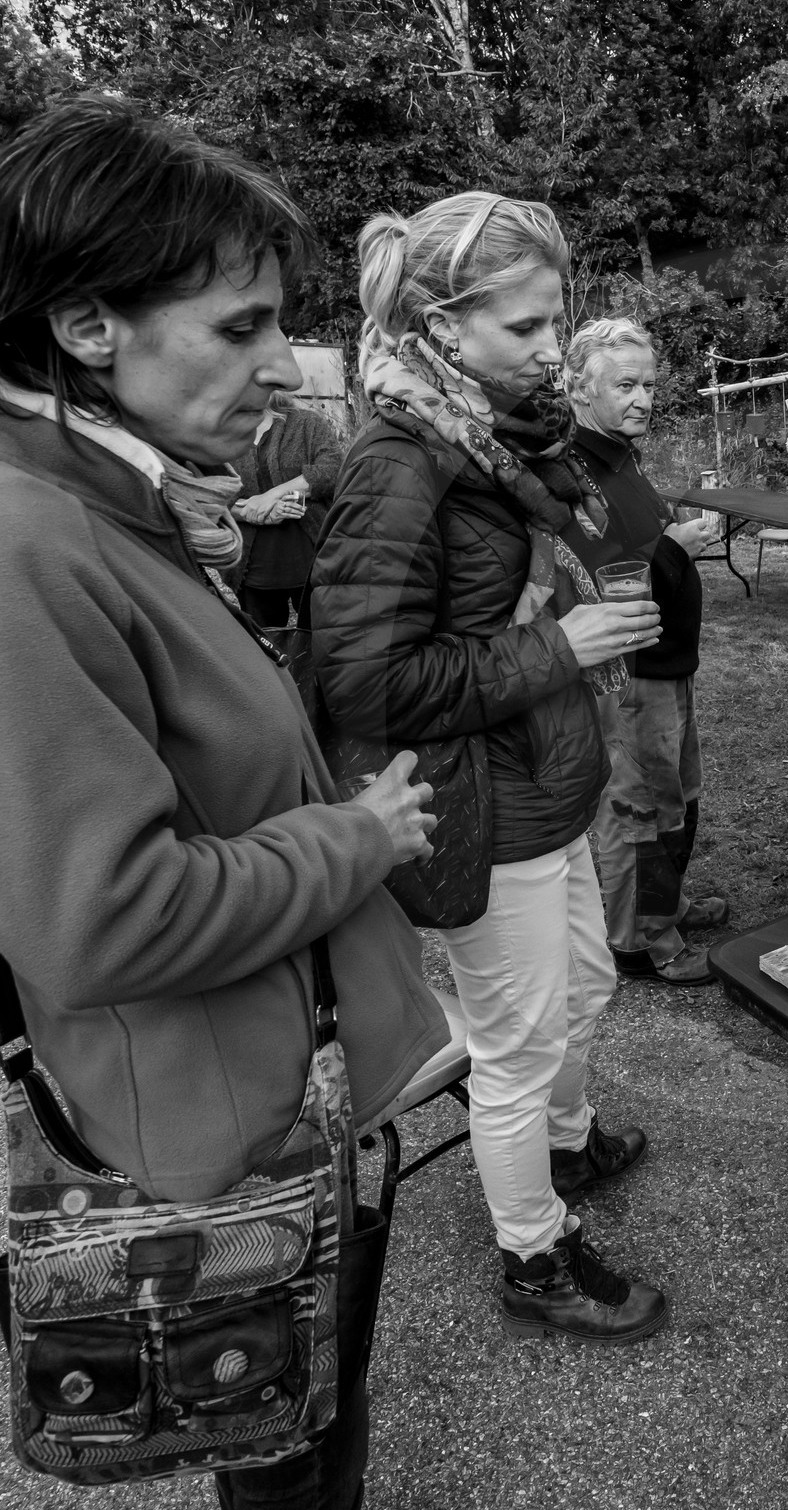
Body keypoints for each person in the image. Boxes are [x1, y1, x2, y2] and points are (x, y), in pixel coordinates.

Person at [0, 96, 446, 1510]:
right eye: (240, 326)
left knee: (301, 1436)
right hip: (219, 1145)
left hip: (272, 1094)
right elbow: (104, 917)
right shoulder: (28, 543)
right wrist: (353, 838)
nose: (282, 364)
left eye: (281, 323)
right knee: (285, 1457)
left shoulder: (117, 497)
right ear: (87, 325)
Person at [312, 192, 670, 1344]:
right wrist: (560, 646)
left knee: (586, 988)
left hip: (545, 781)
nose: (552, 347)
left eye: (554, 318)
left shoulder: (498, 434)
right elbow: (363, 684)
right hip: (485, 803)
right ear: (441, 328)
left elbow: (507, 584)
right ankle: (534, 1253)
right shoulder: (398, 461)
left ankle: (565, 1143)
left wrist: (565, 614)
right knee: (516, 1044)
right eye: (525, 327)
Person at [562, 317, 726, 987]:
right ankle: (641, 940)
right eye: (625, 385)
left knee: (677, 795)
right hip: (629, 672)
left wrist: (667, 541)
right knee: (640, 810)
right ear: (580, 388)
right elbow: (595, 576)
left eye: (649, 385)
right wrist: (673, 548)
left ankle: (667, 906)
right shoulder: (572, 471)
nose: (643, 399)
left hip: (665, 662)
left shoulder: (618, 457)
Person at [231, 390, 345, 624]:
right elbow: (214, 497)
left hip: (312, 561)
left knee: (321, 637)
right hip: (254, 571)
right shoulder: (223, 434)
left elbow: (333, 470)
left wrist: (273, 495)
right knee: (266, 643)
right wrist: (256, 514)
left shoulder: (306, 423)